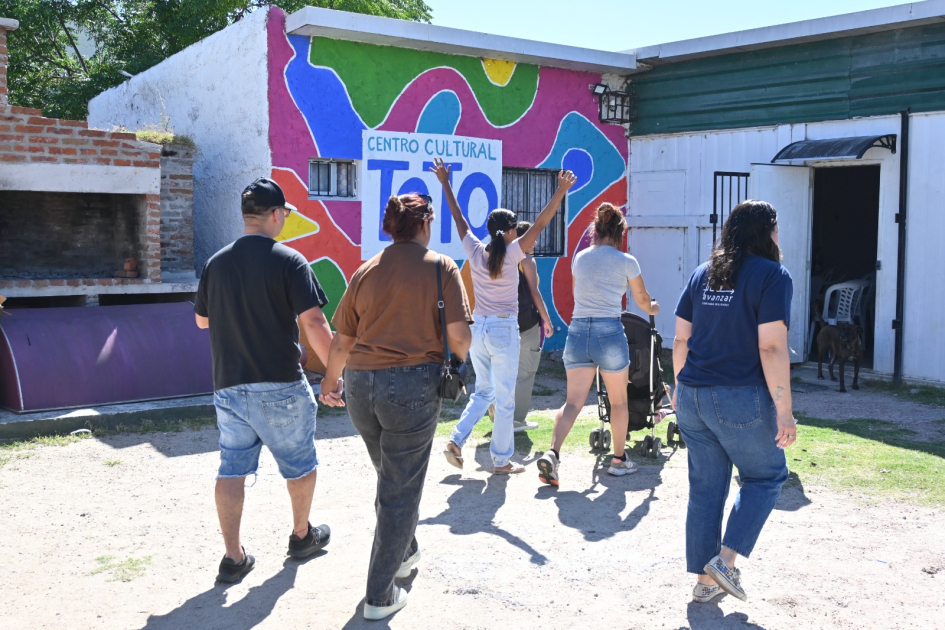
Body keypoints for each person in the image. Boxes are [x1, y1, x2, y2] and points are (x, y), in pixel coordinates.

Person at [319, 193, 473, 621]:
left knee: (392, 481)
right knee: (398, 492)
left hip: (359, 387)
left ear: (390, 227)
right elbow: (460, 338)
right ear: (425, 223)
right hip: (411, 385)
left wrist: (330, 382)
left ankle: (404, 552)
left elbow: (342, 341)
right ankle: (379, 595)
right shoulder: (441, 267)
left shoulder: (366, 270)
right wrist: (459, 361)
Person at [194, 177, 335, 583]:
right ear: (276, 215)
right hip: (279, 384)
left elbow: (202, 321)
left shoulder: (215, 263)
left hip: (229, 385)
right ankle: (301, 535)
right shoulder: (290, 261)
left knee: (231, 467)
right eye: (285, 213)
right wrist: (335, 375)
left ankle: (233, 557)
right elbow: (314, 320)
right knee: (300, 463)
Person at [672, 200, 796, 603]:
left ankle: (705, 584)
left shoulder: (701, 274)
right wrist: (785, 410)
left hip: (691, 393)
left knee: (706, 490)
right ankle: (725, 562)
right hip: (738, 397)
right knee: (766, 477)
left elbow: (680, 340)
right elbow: (773, 348)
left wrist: (681, 394)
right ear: (768, 232)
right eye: (776, 229)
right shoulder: (773, 275)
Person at [433, 158, 576, 475]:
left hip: (478, 330)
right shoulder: (514, 253)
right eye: (515, 227)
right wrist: (561, 191)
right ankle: (500, 461)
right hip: (502, 331)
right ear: (511, 231)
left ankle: (456, 439)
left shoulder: (476, 250)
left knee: (485, 392)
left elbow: (458, 219)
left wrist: (445, 182)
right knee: (505, 397)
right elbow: (540, 224)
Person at [536, 203, 660, 486]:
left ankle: (553, 454)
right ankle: (618, 460)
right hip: (609, 332)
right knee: (618, 401)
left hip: (578, 330)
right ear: (619, 232)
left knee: (572, 403)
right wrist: (653, 308)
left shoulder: (580, 258)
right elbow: (642, 301)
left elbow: (580, 290)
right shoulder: (627, 261)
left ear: (597, 230)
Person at [487, 221, 555, 431]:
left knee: (504, 370)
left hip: (500, 322)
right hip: (525, 323)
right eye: (531, 237)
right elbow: (535, 293)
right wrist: (547, 320)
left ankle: (497, 406)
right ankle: (516, 419)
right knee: (525, 373)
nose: (535, 241)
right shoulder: (526, 261)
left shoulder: (496, 257)